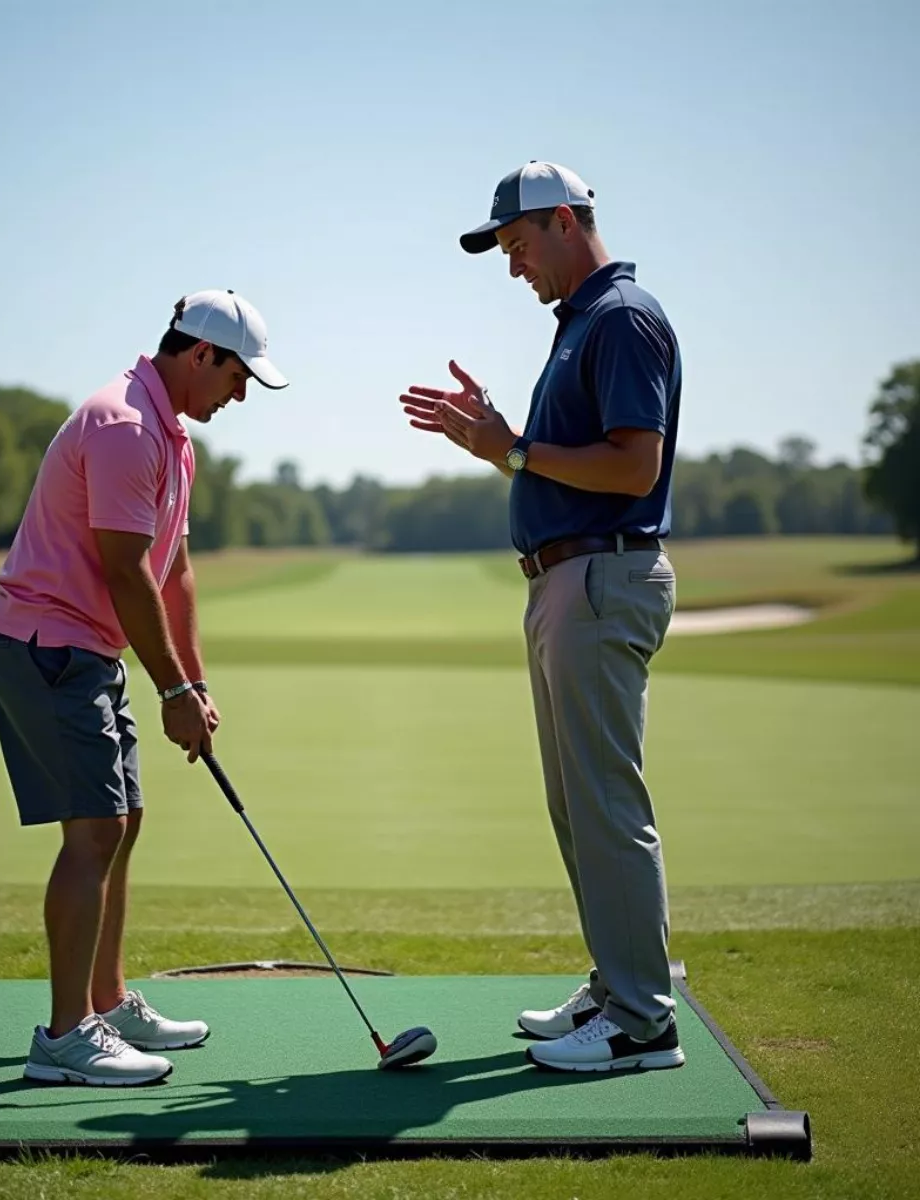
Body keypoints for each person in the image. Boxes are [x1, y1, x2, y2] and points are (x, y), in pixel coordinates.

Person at [400, 161, 684, 1073]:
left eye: (520, 246)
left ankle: (643, 1020)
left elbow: (634, 468)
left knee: (604, 802)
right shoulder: (581, 327)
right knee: (575, 806)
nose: (515, 267)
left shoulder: (622, 319)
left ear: (565, 222)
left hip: (603, 580)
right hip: (567, 580)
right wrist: (494, 441)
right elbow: (553, 465)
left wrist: (512, 448)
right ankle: (616, 984)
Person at [0, 288, 288, 1086]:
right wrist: (172, 694)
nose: (242, 392)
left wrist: (194, 682)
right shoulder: (125, 426)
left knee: (126, 818)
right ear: (200, 355)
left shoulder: (173, 437)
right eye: (238, 375)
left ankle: (106, 1002)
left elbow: (172, 571)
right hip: (46, 644)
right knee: (96, 832)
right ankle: (66, 1036)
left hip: (89, 647)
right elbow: (123, 571)